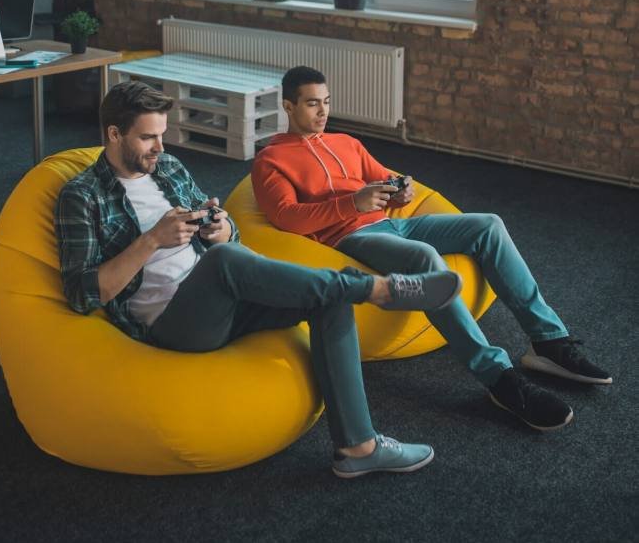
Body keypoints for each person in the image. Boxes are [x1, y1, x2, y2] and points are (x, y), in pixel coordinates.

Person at [55, 80, 462, 480]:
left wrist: (222, 227)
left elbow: (229, 232)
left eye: (162, 136)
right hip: (173, 324)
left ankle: (359, 448)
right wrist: (151, 242)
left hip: (225, 298)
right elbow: (81, 294)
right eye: (148, 139)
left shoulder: (169, 168)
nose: (160, 149)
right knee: (226, 262)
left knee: (314, 294)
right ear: (113, 134)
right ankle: (373, 288)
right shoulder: (82, 196)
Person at [251, 66, 613, 433]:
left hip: (395, 222)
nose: (323, 112)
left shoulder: (347, 142)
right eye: (312, 104)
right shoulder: (270, 160)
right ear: (288, 106)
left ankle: (549, 341)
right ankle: (498, 378)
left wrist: (399, 191)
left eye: (326, 102)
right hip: (351, 237)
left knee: (488, 225)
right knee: (424, 257)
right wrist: (353, 205)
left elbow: (384, 180)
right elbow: (287, 218)